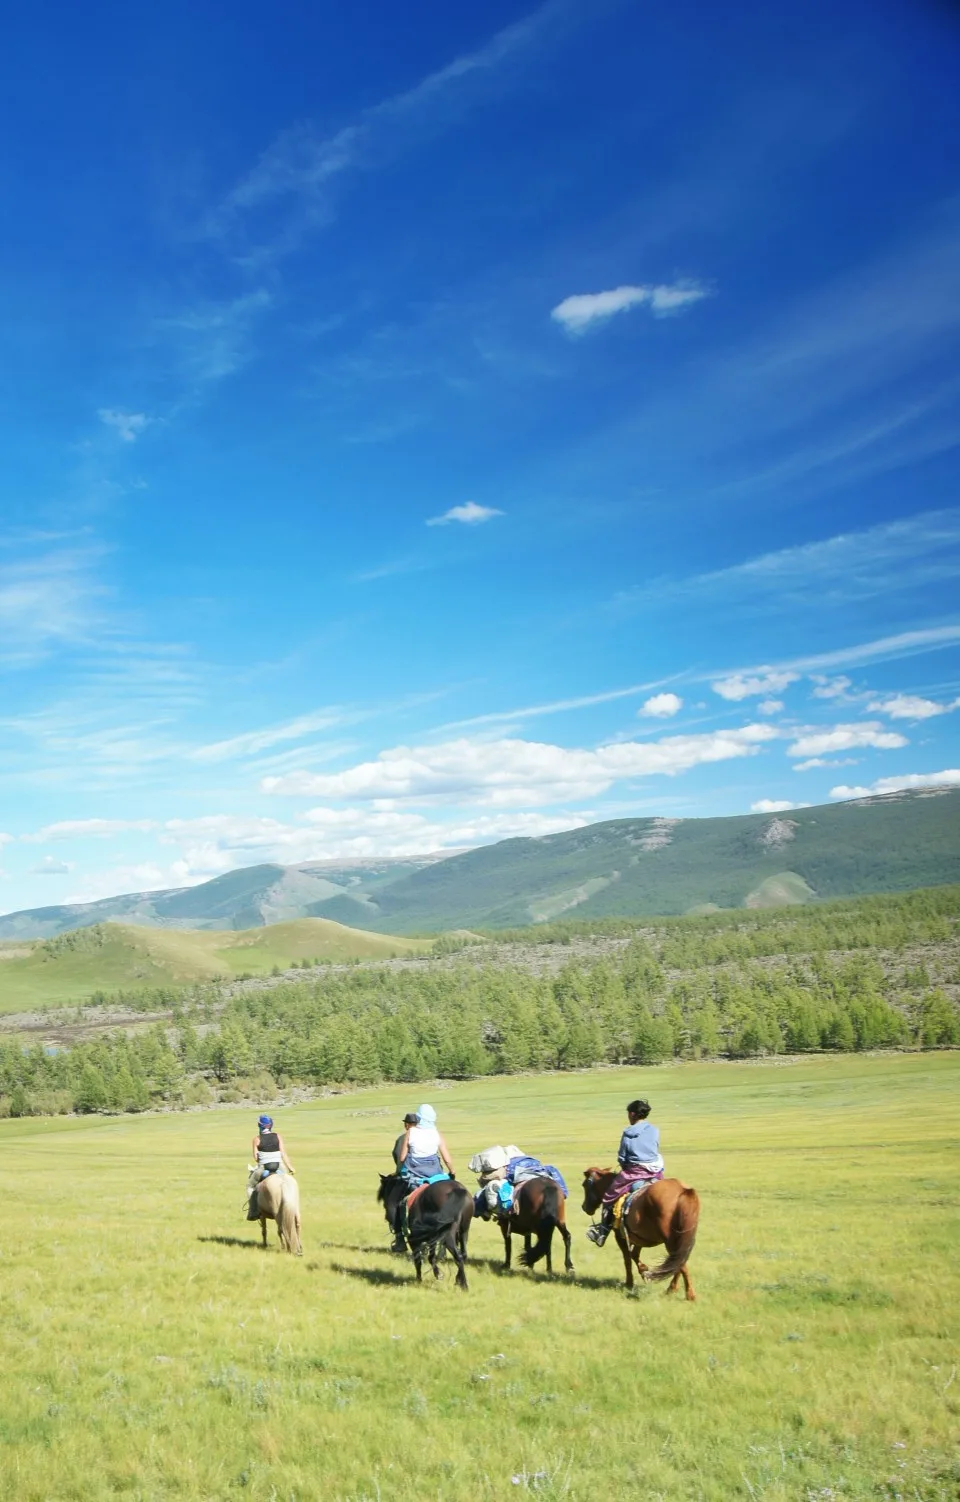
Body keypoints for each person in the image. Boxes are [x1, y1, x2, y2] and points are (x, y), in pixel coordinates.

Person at [586, 1098, 664, 1247]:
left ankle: (602, 1232)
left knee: (609, 1196)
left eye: (629, 1114)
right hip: (655, 1171)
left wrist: (624, 1163)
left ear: (633, 1114)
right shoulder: (655, 1130)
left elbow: (622, 1156)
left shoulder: (628, 1132)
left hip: (635, 1172)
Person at [246, 1114, 296, 1220]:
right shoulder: (277, 1136)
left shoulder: (256, 1139)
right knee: (287, 1183)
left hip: (264, 1167)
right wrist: (290, 1167)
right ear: (271, 1125)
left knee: (250, 1186)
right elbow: (283, 1153)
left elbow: (256, 1158)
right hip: (279, 1166)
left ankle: (253, 1211)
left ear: (259, 1126)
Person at [396, 1103, 455, 1184]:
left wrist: (399, 1171)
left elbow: (402, 1158)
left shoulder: (410, 1132)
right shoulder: (437, 1134)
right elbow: (447, 1160)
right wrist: (452, 1172)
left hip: (414, 1171)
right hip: (434, 1171)